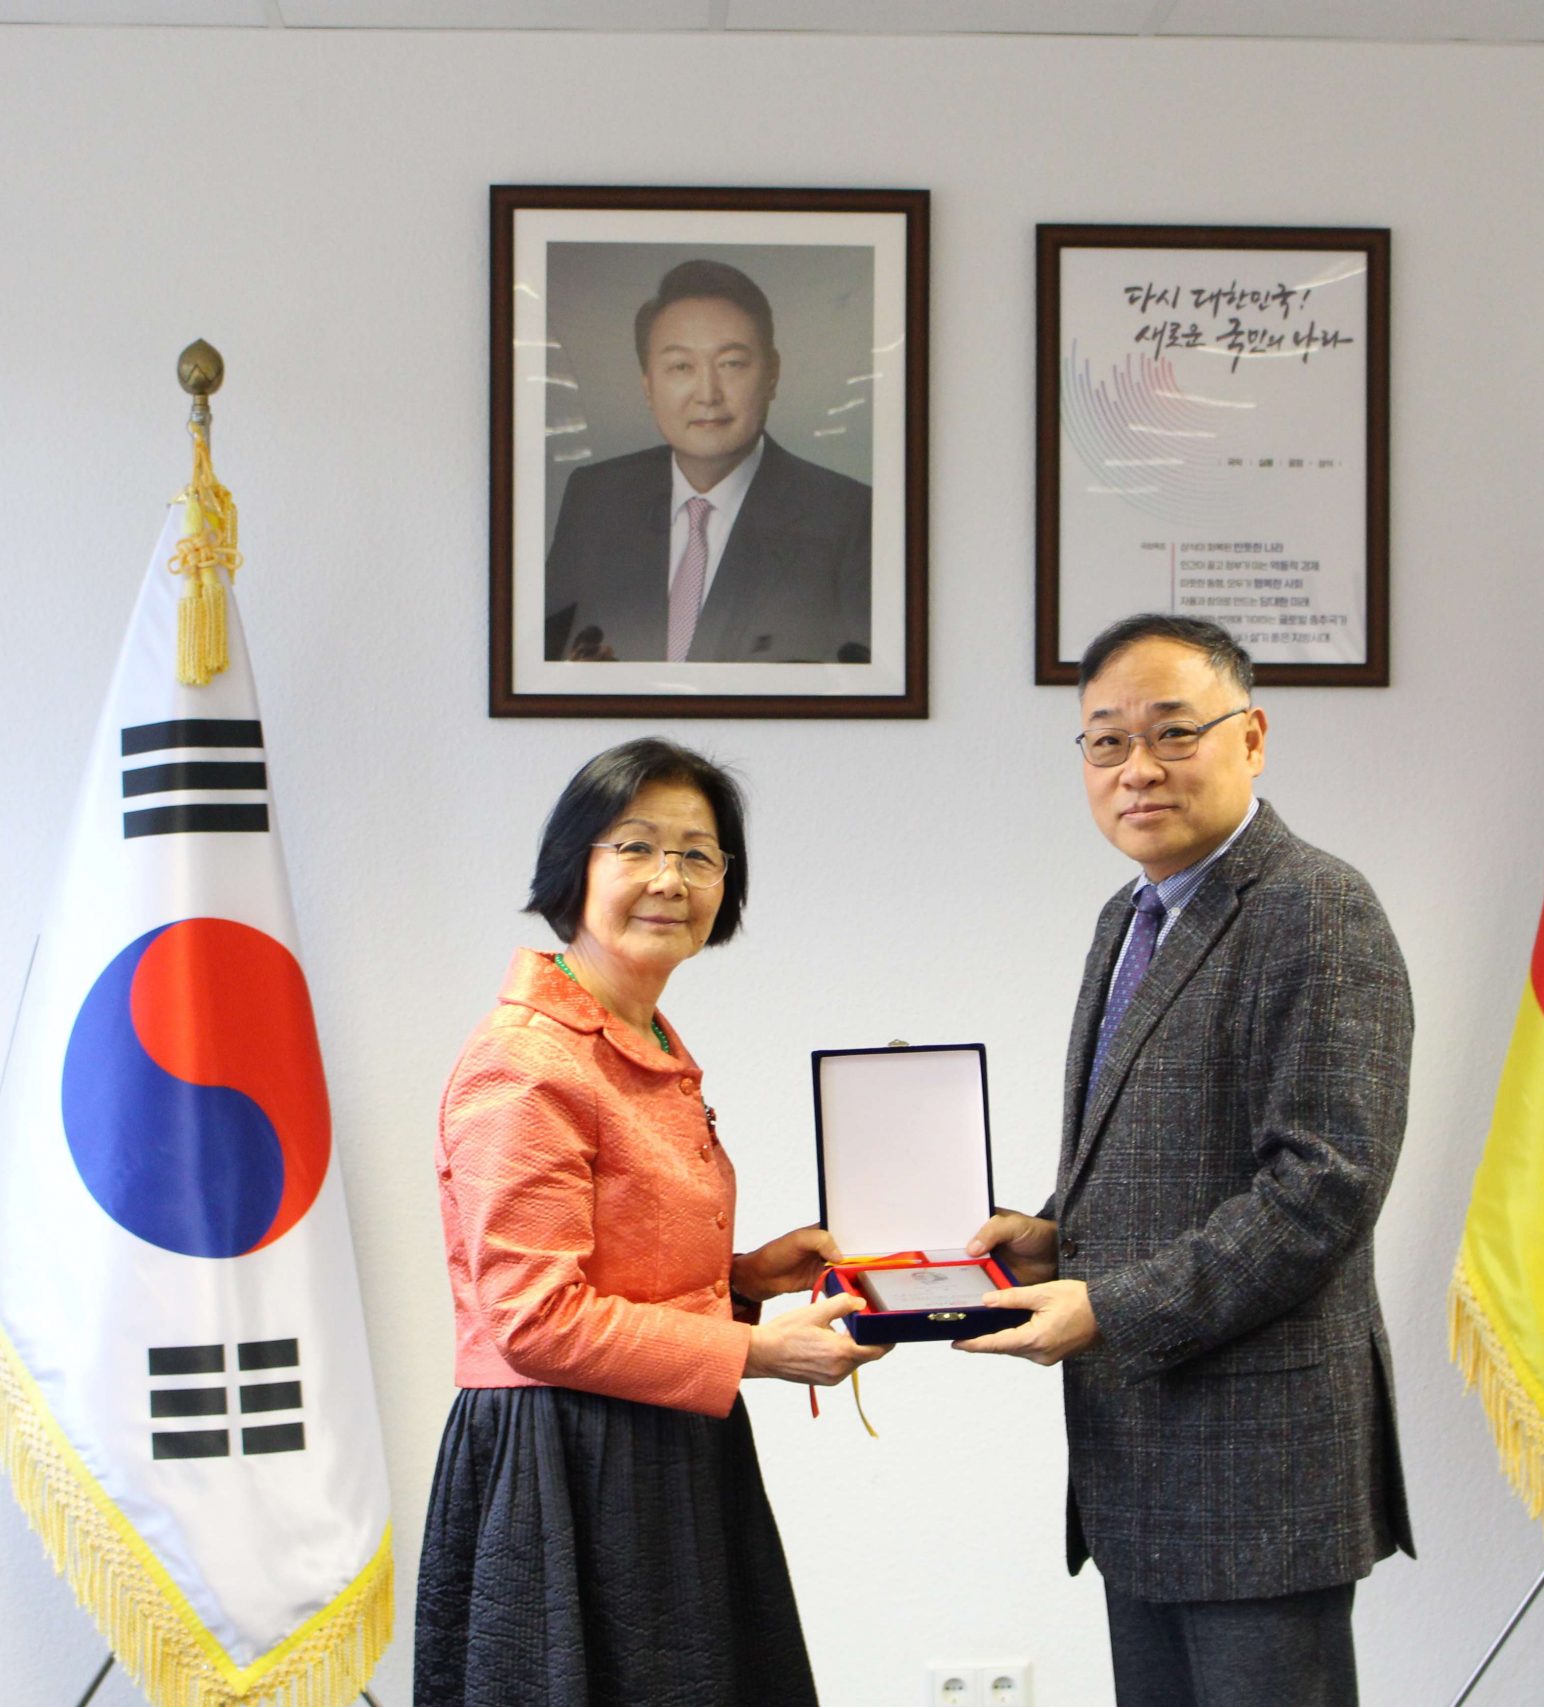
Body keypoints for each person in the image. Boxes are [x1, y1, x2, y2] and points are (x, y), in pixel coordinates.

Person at [957, 615, 1415, 1707]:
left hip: (1260, 1469)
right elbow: (1161, 1144)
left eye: (1173, 732)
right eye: (1106, 741)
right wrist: (1053, 1231)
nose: (1138, 768)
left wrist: (1108, 1306)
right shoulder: (1128, 916)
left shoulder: (1316, 906)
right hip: (1141, 1456)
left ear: (1250, 738)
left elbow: (1322, 1185)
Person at [417, 737, 885, 1707]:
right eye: (635, 847)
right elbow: (535, 1319)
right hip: (563, 1467)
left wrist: (747, 1278)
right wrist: (755, 1352)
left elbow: (619, 1262)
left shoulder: (640, 1033)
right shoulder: (527, 1059)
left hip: (666, 1440)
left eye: (697, 854)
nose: (669, 878)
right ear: (573, 867)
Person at [543, 259, 871, 665]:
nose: (707, 394)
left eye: (731, 364)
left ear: (772, 374)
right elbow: (544, 667)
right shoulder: (596, 496)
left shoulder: (849, 517)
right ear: (648, 386)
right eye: (681, 366)